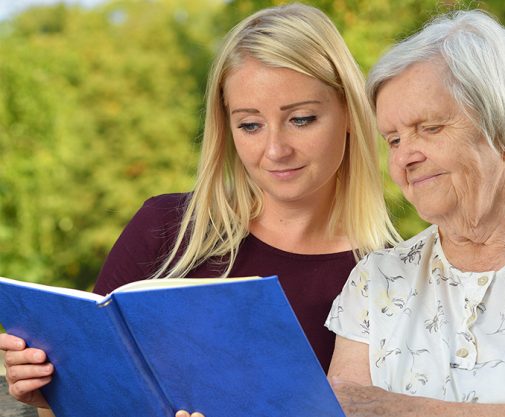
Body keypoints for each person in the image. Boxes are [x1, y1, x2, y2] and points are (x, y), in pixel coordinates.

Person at [0, 3, 399, 416]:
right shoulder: (166, 230)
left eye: (301, 119)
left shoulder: (391, 276)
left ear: (351, 114)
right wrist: (48, 389)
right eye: (250, 125)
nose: (276, 150)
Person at [325, 9, 505, 417]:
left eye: (429, 128)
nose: (405, 157)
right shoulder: (375, 281)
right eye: (393, 139)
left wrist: (395, 409)